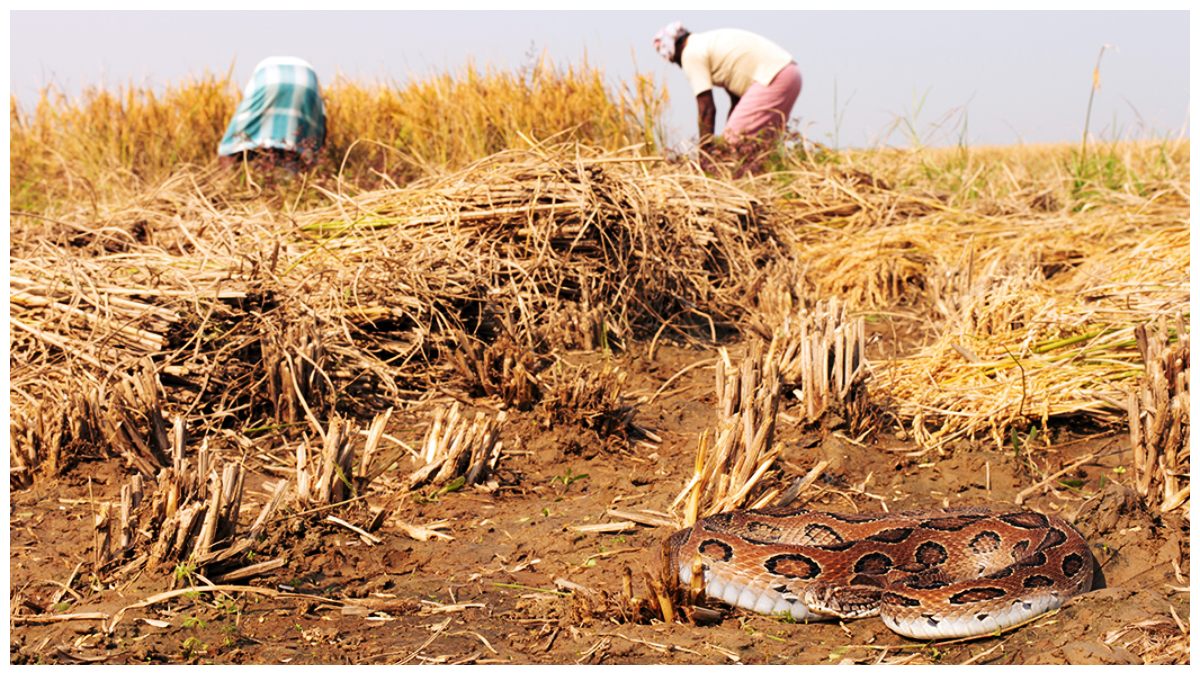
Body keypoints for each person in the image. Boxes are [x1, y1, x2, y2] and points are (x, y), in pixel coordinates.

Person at [654, 22, 801, 159]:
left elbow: (706, 109)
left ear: (674, 51)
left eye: (675, 61)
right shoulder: (706, 43)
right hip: (790, 73)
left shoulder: (690, 53)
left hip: (773, 76)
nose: (679, 66)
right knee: (761, 147)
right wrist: (731, 126)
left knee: (732, 143)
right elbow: (737, 102)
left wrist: (705, 157)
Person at [218, 56, 327, 170]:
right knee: (305, 150)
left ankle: (224, 176)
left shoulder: (261, 70)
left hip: (268, 77)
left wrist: (228, 151)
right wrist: (318, 149)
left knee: (231, 145)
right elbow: (322, 121)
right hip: (306, 79)